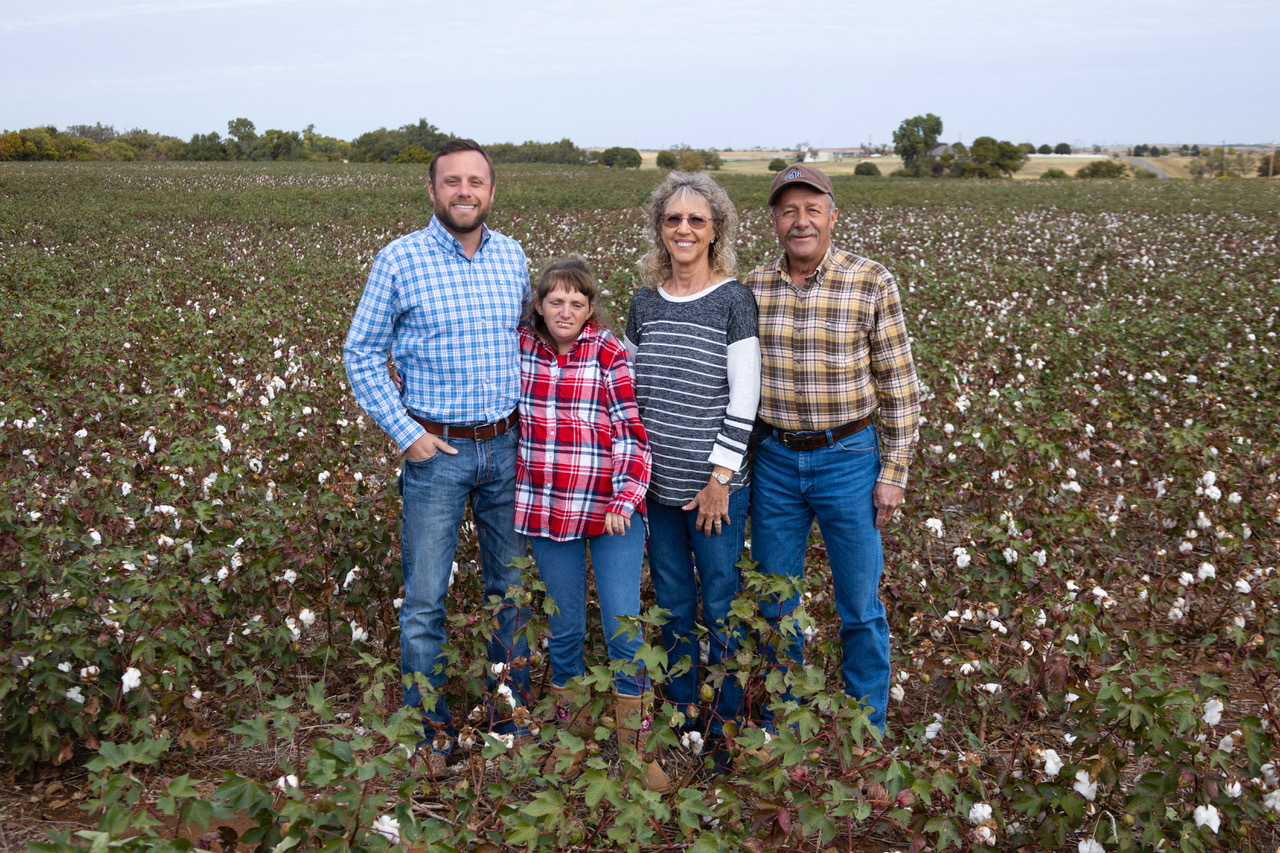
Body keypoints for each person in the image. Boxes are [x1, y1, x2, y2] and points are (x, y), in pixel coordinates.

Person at [343, 138, 532, 779]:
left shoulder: (512, 257)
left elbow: (533, 341)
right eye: (452, 181)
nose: (464, 191)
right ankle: (430, 733)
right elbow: (360, 352)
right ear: (432, 190)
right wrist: (406, 433)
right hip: (437, 452)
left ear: (492, 190)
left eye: (476, 181)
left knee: (510, 594)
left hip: (508, 446)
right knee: (425, 599)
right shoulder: (399, 259)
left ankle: (507, 724)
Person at [743, 163, 920, 735]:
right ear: (774, 221)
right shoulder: (752, 287)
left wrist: (893, 472)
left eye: (812, 210)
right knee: (776, 599)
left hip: (849, 458)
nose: (801, 222)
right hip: (774, 459)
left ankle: (866, 727)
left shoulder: (871, 281)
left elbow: (898, 383)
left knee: (860, 603)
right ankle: (781, 723)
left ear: (832, 216)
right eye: (788, 211)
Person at [624, 171, 760, 774]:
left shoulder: (733, 300)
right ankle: (684, 714)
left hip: (713, 492)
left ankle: (725, 724)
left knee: (723, 602)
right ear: (660, 228)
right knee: (674, 602)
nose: (683, 228)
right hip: (656, 489)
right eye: (673, 218)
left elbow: (745, 396)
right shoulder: (645, 303)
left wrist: (720, 479)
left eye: (696, 220)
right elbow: (629, 389)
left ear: (715, 231)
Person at [516, 256, 667, 792]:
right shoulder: (520, 347)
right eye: (555, 301)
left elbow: (630, 430)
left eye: (576, 303)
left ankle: (637, 752)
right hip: (546, 507)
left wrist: (626, 498)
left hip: (609, 511)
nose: (566, 311)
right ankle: (570, 740)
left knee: (623, 626)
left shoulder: (607, 351)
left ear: (590, 309)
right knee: (565, 628)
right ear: (539, 306)